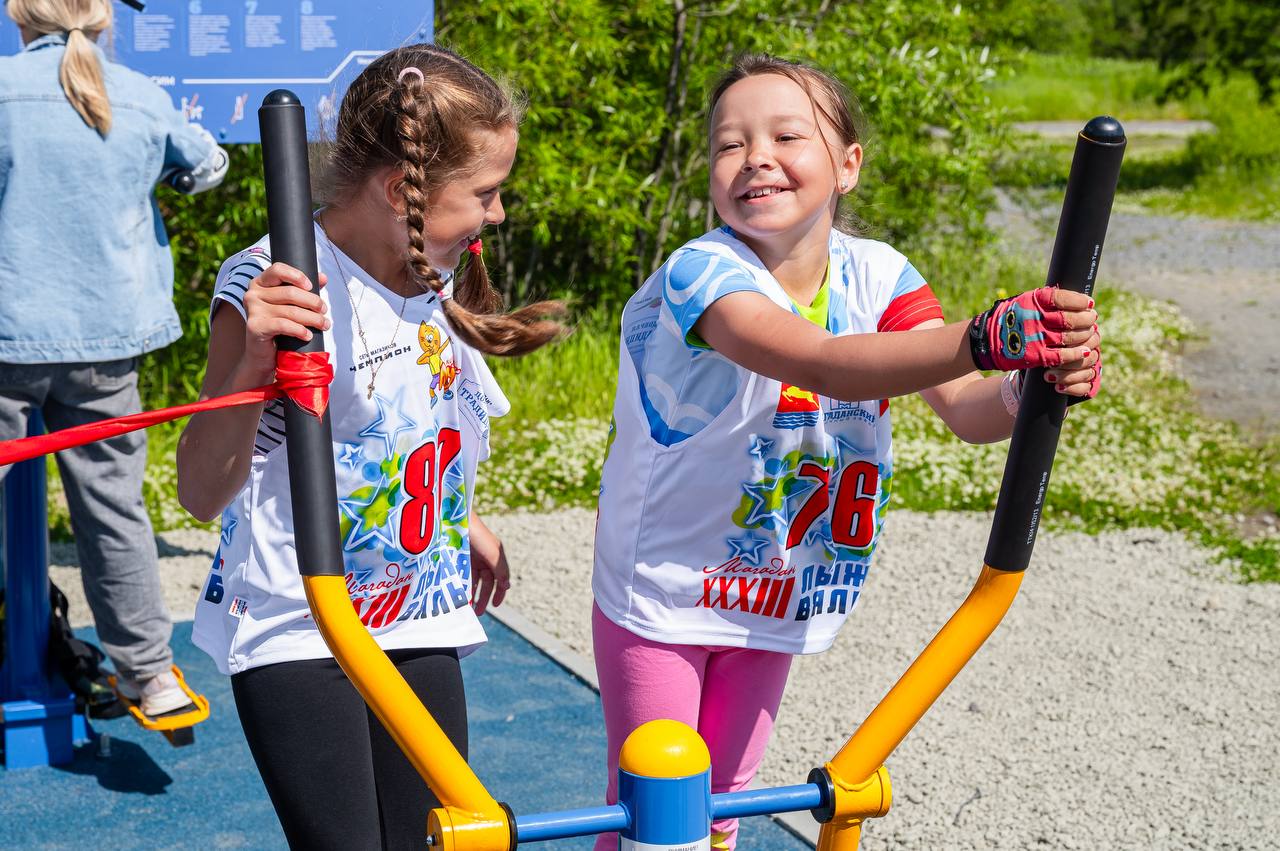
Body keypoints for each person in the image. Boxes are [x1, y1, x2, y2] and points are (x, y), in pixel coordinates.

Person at [590, 54, 1103, 851]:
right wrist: (983, 338)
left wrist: (1031, 382)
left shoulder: (883, 275)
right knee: (658, 810)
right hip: (664, 589)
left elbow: (967, 411)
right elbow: (818, 359)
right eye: (730, 144)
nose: (755, 155)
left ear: (847, 165)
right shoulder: (703, 272)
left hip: (776, 589)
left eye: (785, 135)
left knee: (722, 808)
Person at [175, 44, 563, 850]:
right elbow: (199, 490)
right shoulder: (270, 284)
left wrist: (468, 518)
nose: (497, 214)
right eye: (486, 194)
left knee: (434, 836)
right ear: (402, 191)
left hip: (416, 610)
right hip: (300, 618)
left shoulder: (432, 272)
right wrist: (252, 358)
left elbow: (415, 419)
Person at [0, 0, 227, 717]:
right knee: (113, 509)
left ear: (18, 18)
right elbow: (206, 166)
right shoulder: (141, 95)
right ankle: (149, 672)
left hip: (6, 336)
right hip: (106, 345)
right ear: (103, 21)